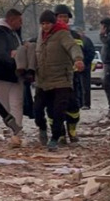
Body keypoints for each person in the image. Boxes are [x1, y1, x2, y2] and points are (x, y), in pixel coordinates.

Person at [33, 10, 85, 151]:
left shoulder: (62, 34)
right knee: (37, 109)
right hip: (43, 81)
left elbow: (72, 47)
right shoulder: (40, 36)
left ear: (53, 23)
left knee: (58, 111)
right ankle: (42, 128)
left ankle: (55, 138)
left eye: (48, 23)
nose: (45, 26)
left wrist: (78, 59)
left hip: (61, 80)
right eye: (42, 24)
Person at [0, 9, 24, 146]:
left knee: (16, 102)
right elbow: (0, 54)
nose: (21, 24)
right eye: (19, 21)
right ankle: (13, 128)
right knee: (5, 104)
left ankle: (16, 129)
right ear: (11, 20)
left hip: (13, 73)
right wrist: (14, 58)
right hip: (2, 73)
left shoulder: (12, 32)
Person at [52, 5, 82, 141]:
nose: (63, 19)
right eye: (60, 17)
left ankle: (72, 129)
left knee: (73, 106)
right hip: (54, 76)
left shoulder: (75, 36)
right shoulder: (49, 34)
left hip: (71, 76)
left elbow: (81, 52)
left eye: (65, 17)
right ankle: (60, 132)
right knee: (54, 106)